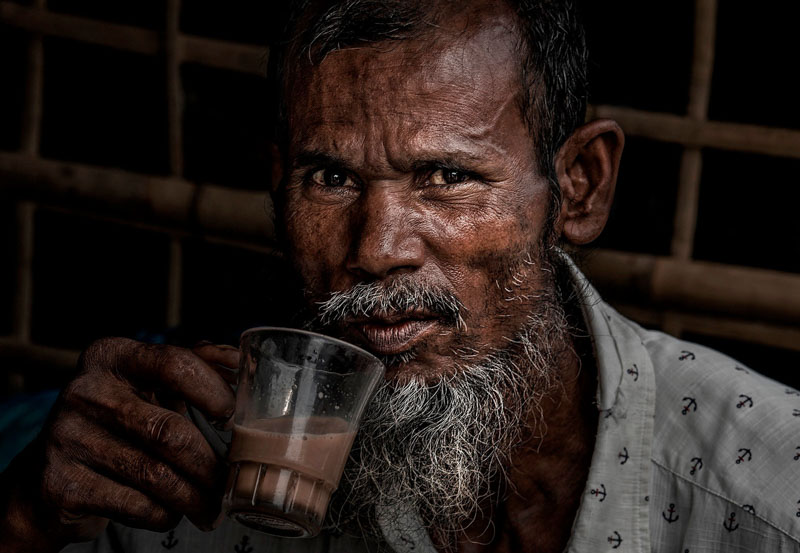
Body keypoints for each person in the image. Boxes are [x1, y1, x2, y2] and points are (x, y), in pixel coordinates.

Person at [2, 0, 798, 552]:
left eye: (446, 176)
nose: (377, 248)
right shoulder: (179, 470)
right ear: (278, 184)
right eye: (329, 179)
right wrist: (27, 525)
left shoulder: (772, 495)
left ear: (580, 187)